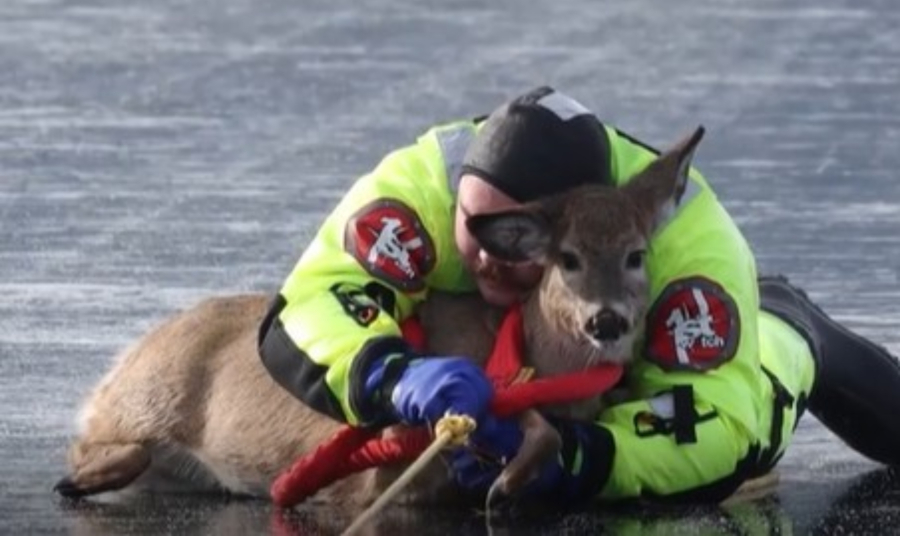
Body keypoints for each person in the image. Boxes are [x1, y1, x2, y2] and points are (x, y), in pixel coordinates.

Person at [257, 85, 900, 504]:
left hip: (670, 332)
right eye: (479, 228)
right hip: (540, 331)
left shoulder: (690, 247)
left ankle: (791, 323)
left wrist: (577, 458)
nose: (488, 257)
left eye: (517, 244)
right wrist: (395, 377)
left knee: (772, 378)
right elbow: (315, 303)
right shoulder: (423, 187)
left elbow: (717, 425)